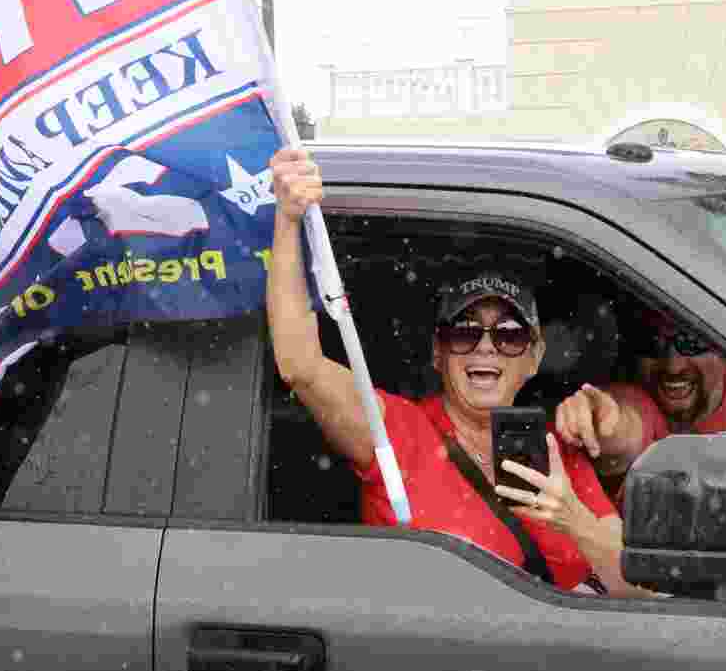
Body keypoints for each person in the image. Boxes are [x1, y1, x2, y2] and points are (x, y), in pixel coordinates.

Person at [267, 147, 650, 597]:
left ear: (533, 357)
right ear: (438, 353)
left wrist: (571, 516)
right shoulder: (397, 431)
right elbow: (300, 364)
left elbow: (636, 591)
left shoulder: (556, 447)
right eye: (465, 332)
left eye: (509, 334)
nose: (486, 346)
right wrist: (287, 220)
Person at [556, 307, 726, 499]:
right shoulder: (637, 401)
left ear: (724, 346)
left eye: (691, 342)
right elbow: (621, 426)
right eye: (652, 343)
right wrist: (599, 421)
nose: (673, 366)